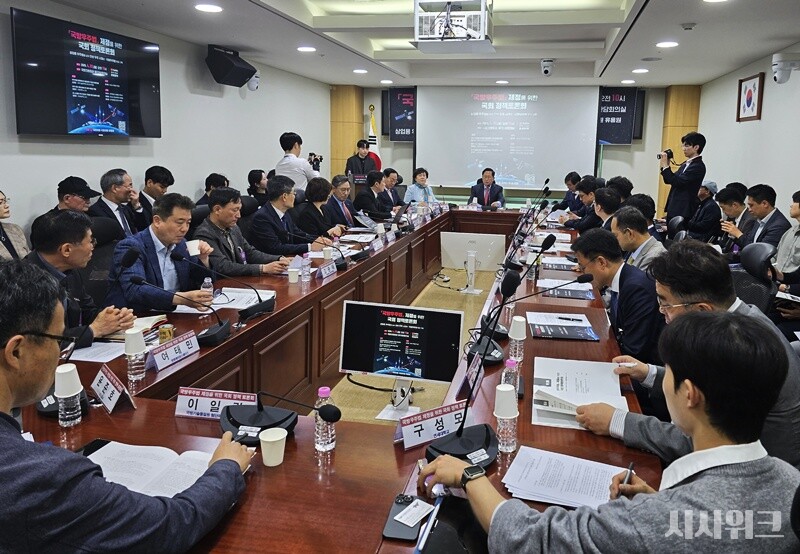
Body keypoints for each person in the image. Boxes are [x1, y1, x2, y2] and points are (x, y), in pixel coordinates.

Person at [420, 311, 800, 553]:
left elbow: (530, 538)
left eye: (668, 372)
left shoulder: (659, 522)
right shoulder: (790, 481)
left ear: (689, 395)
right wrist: (657, 500)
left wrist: (469, 476)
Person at [0, 260, 252, 552]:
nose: (62, 352)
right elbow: (170, 527)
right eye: (60, 339)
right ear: (16, 352)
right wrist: (226, 468)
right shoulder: (39, 476)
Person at [575, 240, 800, 469]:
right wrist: (649, 372)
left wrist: (617, 421)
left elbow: (697, 438)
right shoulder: (738, 321)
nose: (662, 313)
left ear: (702, 310)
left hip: (749, 476)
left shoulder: (739, 346)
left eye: (665, 305)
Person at [25, 210, 135, 348]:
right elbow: (41, 343)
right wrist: (94, 330)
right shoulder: (25, 284)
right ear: (66, 250)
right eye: (90, 241)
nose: (93, 247)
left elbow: (87, 311)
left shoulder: (69, 270)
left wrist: (113, 318)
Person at [106, 193, 215, 313]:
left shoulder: (182, 244)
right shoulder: (131, 247)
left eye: (188, 223)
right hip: (139, 317)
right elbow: (135, 290)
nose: (185, 228)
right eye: (179, 222)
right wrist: (182, 299)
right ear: (157, 221)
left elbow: (202, 282)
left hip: (176, 313)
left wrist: (203, 259)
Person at [571, 228, 664, 365]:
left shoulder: (636, 289)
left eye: (583, 267)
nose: (583, 273)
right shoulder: (623, 279)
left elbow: (635, 351)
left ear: (602, 263)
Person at [193, 187, 289, 276]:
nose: (238, 215)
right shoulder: (203, 234)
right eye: (235, 210)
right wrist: (262, 268)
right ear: (217, 209)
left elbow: (249, 252)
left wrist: (279, 258)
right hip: (222, 286)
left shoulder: (233, 227)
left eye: (239, 210)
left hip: (240, 280)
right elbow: (222, 266)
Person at [250, 175, 331, 256]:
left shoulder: (285, 213)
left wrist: (319, 240)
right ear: (284, 197)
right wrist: (309, 247)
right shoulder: (262, 217)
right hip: (273, 263)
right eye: (293, 193)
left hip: (289, 258)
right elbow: (276, 247)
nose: (295, 197)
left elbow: (298, 234)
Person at [31, 176, 101, 238]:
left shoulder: (92, 216)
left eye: (89, 198)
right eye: (85, 197)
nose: (88, 201)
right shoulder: (45, 223)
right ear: (67, 198)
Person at [660, 131, 707, 222]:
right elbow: (669, 180)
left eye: (686, 145)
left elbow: (678, 182)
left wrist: (666, 167)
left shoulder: (698, 166)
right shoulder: (686, 164)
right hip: (674, 207)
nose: (683, 149)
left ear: (696, 147)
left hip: (683, 210)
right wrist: (666, 165)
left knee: (677, 234)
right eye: (683, 145)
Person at [727, 184, 791, 249]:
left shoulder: (779, 226)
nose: (749, 209)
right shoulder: (759, 219)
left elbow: (760, 252)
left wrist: (738, 234)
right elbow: (749, 242)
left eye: (751, 205)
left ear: (764, 204)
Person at [87, 168, 147, 237]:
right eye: (129, 186)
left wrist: (137, 206)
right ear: (115, 188)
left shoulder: (126, 209)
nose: (132, 189)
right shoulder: (95, 212)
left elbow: (143, 228)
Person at [610, 206, 666, 271]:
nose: (615, 240)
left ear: (629, 234)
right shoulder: (633, 249)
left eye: (615, 235)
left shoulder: (654, 259)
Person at [715, 186, 755, 253]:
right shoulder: (734, 218)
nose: (723, 212)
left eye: (723, 208)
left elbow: (740, 248)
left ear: (734, 205)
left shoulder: (750, 220)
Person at [0, 190, 30, 261]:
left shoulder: (15, 229)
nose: (7, 205)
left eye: (5, 201)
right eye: (0, 202)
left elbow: (29, 257)